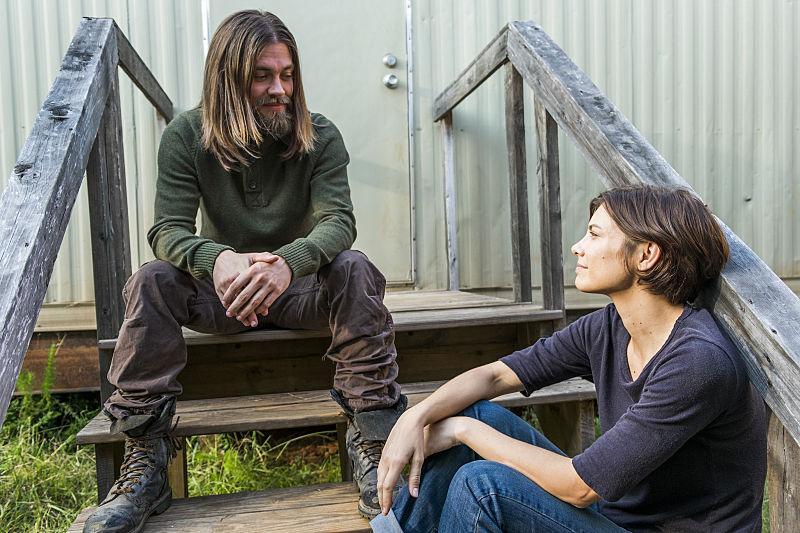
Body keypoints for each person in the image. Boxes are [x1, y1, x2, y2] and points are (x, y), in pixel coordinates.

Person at [82, 10, 405, 533]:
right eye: (262, 76)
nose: (280, 89)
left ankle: (373, 436)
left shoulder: (321, 135)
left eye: (287, 74)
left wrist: (288, 264)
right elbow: (167, 230)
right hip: (225, 297)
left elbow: (339, 222)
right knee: (152, 279)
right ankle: (146, 460)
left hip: (299, 294)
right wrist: (218, 260)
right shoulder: (187, 135)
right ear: (227, 78)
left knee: (354, 268)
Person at [374, 186, 767, 533]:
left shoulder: (697, 362)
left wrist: (463, 430)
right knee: (477, 412)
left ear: (646, 255)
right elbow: (496, 376)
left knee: (484, 486)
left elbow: (579, 487)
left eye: (594, 234)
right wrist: (416, 416)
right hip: (615, 515)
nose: (578, 247)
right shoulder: (609, 326)